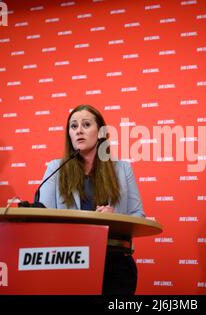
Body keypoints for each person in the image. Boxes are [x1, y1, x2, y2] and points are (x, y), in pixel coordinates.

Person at [39, 104, 145, 295]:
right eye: (73, 126)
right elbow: (43, 215)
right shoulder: (56, 168)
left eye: (86, 124)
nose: (78, 130)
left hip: (114, 261)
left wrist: (115, 216)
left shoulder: (122, 169)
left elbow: (138, 215)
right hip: (68, 260)